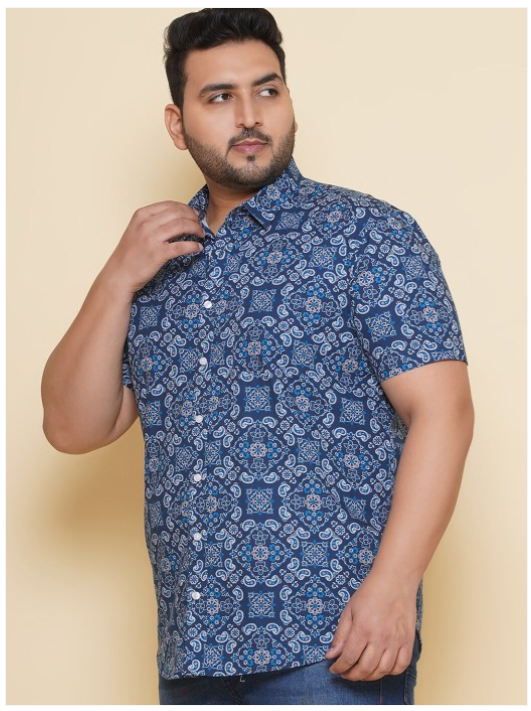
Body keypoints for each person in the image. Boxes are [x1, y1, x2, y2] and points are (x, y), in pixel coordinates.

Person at [41, 8, 474, 706]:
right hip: (192, 654)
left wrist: (394, 588)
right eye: (219, 97)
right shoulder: (153, 263)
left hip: (332, 647)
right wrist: (116, 277)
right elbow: (72, 426)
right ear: (177, 124)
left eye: (266, 90)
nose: (249, 115)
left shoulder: (368, 235)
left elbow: (444, 412)